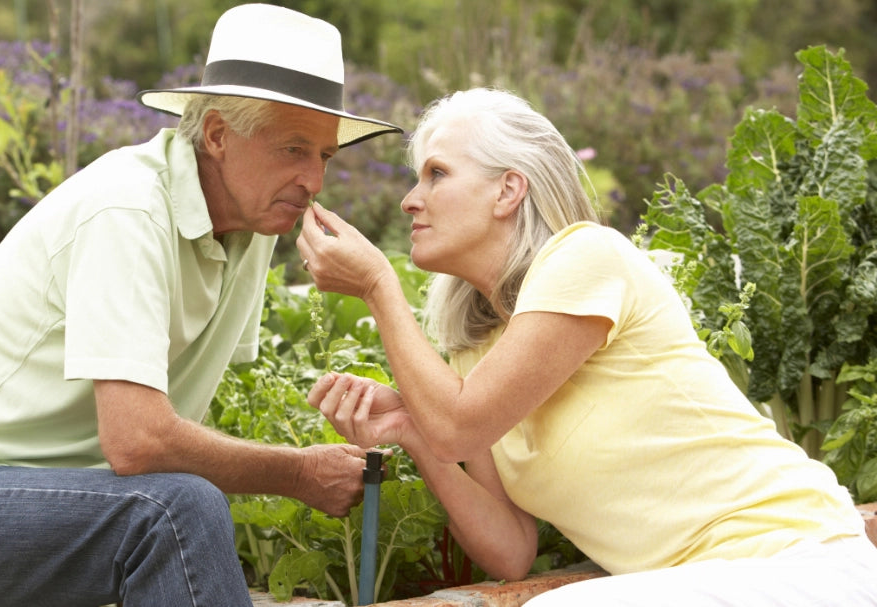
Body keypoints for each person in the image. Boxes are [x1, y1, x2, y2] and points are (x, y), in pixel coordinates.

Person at [0, 4, 402, 606]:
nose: (314, 181)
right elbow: (138, 442)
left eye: (324, 156)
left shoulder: (255, 225)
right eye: (294, 149)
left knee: (177, 508)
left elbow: (176, 428)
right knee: (176, 511)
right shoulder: (128, 209)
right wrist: (298, 473)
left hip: (62, 499)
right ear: (217, 134)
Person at [297, 87, 877, 605]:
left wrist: (378, 285)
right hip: (704, 584)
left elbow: (460, 425)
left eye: (437, 174)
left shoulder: (588, 258)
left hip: (798, 561)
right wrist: (414, 433)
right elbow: (509, 550)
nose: (409, 200)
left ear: (508, 190)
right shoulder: (475, 351)